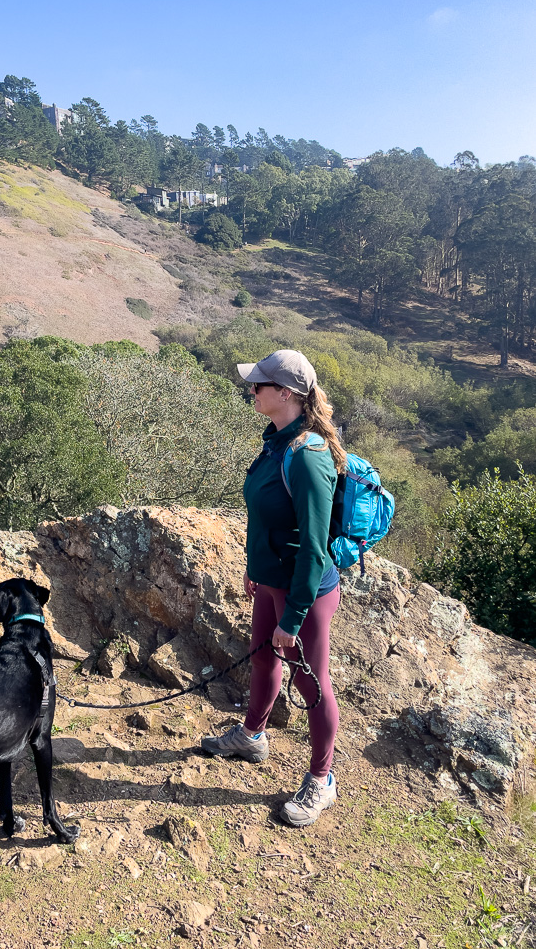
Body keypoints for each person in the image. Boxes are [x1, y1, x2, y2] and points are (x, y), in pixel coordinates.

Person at [201, 349, 347, 827]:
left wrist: (293, 616)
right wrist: (255, 568)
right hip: (271, 580)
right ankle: (252, 735)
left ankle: (322, 779)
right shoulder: (275, 442)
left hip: (304, 590)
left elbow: (314, 547)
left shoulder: (307, 458)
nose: (251, 390)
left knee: (312, 684)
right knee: (263, 658)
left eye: (259, 385)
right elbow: (265, 517)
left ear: (285, 394)